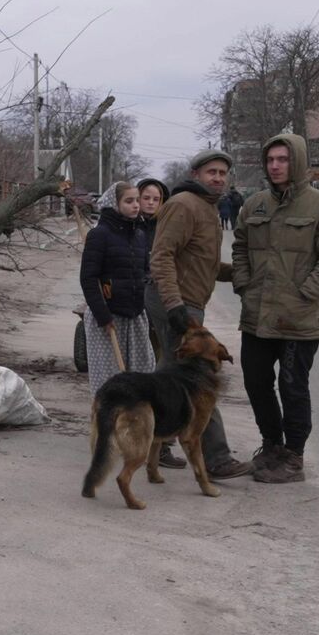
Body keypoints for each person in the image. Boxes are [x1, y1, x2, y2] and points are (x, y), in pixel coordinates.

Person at [232, 133, 319, 483]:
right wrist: (243, 283)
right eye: (270, 160)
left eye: (282, 159)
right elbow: (240, 247)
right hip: (257, 315)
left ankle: (293, 456)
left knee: (292, 385)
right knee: (256, 382)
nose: (275, 166)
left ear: (296, 162)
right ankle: (271, 446)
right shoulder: (254, 205)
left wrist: (306, 292)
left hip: (298, 318)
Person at [150, 149, 253, 479]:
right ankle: (216, 458)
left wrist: (242, 274)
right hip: (177, 302)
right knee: (201, 377)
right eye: (212, 172)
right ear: (196, 174)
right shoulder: (183, 205)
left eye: (223, 173)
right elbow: (162, 256)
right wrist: (174, 306)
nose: (219, 178)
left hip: (187, 300)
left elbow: (203, 265)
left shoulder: (207, 208)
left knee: (169, 376)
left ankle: (156, 442)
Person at [79, 182, 158, 396]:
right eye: (129, 201)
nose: (135, 206)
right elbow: (88, 277)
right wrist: (102, 316)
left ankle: (135, 423)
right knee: (109, 384)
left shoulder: (139, 234)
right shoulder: (99, 235)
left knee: (143, 377)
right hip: (107, 319)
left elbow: (144, 273)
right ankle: (107, 425)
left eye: (136, 200)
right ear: (115, 203)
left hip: (135, 316)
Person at [136, 176, 185, 469]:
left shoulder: (167, 228)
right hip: (136, 311)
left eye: (156, 199)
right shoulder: (130, 225)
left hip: (163, 310)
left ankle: (163, 445)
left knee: (163, 372)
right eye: (146, 198)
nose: (151, 203)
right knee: (143, 372)